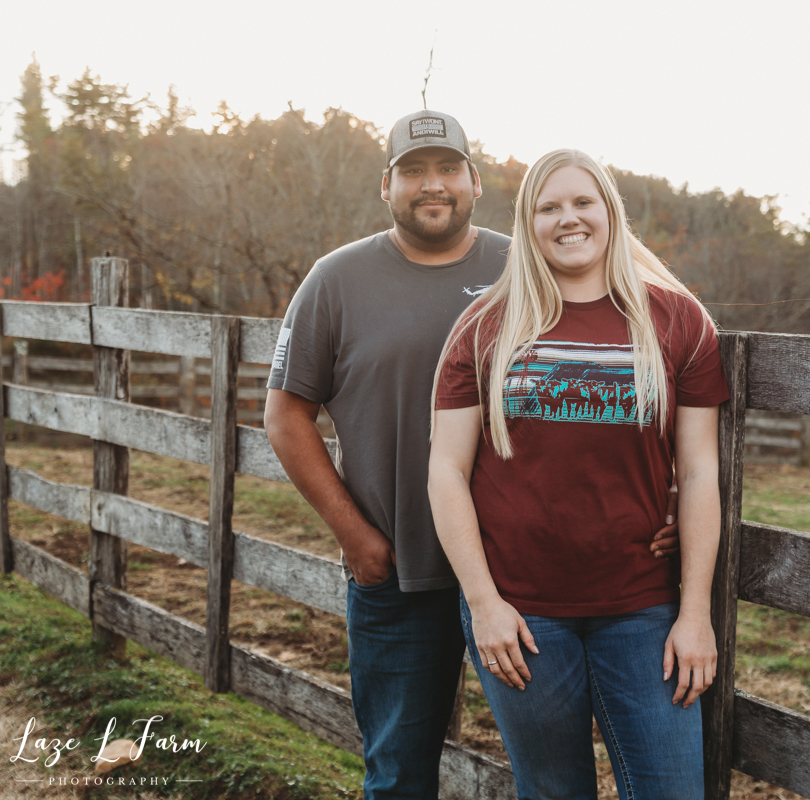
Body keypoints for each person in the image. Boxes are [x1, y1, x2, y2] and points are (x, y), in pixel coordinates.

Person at [263, 114, 680, 800]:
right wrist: (355, 537)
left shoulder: (529, 261)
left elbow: (650, 337)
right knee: (398, 773)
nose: (434, 186)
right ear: (386, 185)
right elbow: (285, 417)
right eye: (414, 171)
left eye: (449, 169)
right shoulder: (335, 280)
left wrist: (665, 499)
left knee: (551, 777)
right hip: (400, 573)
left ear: (476, 182)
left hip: (523, 580)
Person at [428, 148, 727, 800]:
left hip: (644, 611)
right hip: (523, 617)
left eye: (583, 202)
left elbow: (701, 470)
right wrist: (484, 606)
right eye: (549, 207)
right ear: (528, 223)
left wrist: (696, 612)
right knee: (555, 792)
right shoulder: (485, 326)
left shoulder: (676, 320)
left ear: (611, 213)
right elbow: (446, 471)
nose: (569, 219)